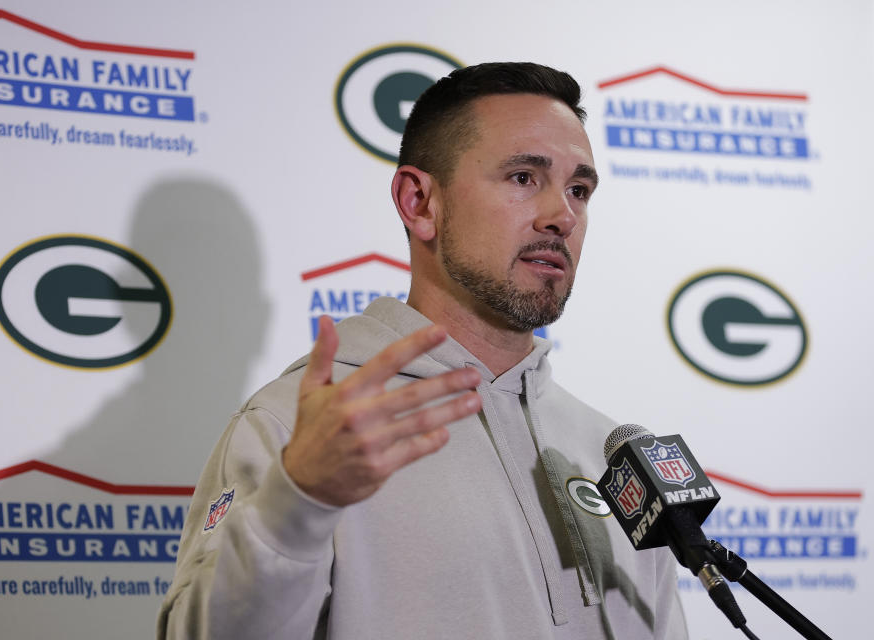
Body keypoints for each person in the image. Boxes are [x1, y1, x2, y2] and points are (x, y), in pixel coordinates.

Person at [157, 62, 688, 639]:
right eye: (522, 178)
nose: (561, 215)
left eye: (579, 190)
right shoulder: (298, 431)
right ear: (419, 202)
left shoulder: (608, 452)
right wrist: (298, 504)